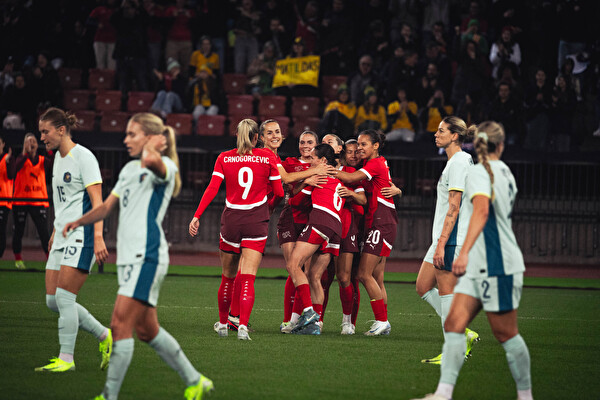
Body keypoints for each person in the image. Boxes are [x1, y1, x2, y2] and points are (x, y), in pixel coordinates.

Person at [63, 112, 213, 399]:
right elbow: (106, 208)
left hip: (148, 256)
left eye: (132, 134)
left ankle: (109, 395)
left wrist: (155, 147)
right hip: (131, 258)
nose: (125, 139)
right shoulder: (129, 169)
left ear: (152, 138)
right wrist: (78, 222)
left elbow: (153, 162)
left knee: (119, 323)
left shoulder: (165, 166)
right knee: (147, 330)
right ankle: (196, 381)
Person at [411, 121, 533, 400]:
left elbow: (479, 212)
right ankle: (443, 394)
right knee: (455, 323)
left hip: (493, 259)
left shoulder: (477, 171)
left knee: (506, 333)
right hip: (488, 254)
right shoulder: (503, 172)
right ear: (500, 146)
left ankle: (525, 396)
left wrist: (460, 250)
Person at [188, 119, 284, 340]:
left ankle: (222, 324)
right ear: (257, 138)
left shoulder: (224, 157)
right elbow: (279, 192)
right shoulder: (267, 156)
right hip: (256, 221)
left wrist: (197, 215)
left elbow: (213, 188)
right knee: (248, 277)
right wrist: (267, 208)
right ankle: (242, 327)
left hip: (231, 220)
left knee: (227, 277)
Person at [33, 108, 111, 373]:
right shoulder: (56, 158)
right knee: (52, 301)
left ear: (61, 130)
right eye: (41, 131)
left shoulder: (84, 157)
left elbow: (98, 203)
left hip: (83, 235)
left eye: (46, 131)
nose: (42, 137)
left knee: (65, 297)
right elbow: (63, 200)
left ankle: (66, 359)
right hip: (62, 236)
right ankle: (104, 335)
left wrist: (99, 237)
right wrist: (55, 229)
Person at [415, 116, 479, 365]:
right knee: (423, 286)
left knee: (446, 293)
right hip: (444, 238)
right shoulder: (457, 161)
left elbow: (454, 207)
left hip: (451, 239)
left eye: (441, 130)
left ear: (454, 136)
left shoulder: (459, 162)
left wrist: (442, 243)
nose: (435, 133)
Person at [334, 130, 398, 335]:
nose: (360, 148)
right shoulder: (378, 164)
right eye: (358, 144)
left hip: (381, 221)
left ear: (376, 146)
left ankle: (382, 321)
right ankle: (383, 322)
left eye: (364, 144)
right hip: (380, 221)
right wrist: (398, 190)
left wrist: (328, 169)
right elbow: (388, 185)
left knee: (363, 274)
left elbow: (351, 177)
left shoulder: (374, 164)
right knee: (377, 278)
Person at [283, 143, 346, 335]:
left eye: (312, 158)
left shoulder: (318, 175)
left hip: (321, 221)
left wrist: (303, 183)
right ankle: (315, 326)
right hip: (336, 229)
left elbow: (295, 201)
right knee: (315, 277)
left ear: (323, 161)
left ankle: (309, 312)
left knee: (293, 265)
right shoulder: (338, 180)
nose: (309, 162)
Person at [274, 130, 333, 333]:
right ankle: (289, 319)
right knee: (293, 268)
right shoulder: (291, 162)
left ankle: (309, 320)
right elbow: (288, 186)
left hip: (313, 220)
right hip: (292, 218)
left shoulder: (325, 166)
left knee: (307, 272)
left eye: (310, 142)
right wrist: (309, 178)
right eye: (301, 142)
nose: (305, 145)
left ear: (316, 145)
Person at [321, 134, 367, 334]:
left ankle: (348, 322)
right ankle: (317, 320)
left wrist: (351, 195)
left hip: (346, 228)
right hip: (324, 228)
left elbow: (363, 200)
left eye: (330, 142)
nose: (325, 145)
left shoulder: (350, 172)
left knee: (344, 277)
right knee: (321, 277)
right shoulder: (319, 170)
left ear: (339, 149)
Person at [9, 133, 52, 269]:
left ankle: (50, 260)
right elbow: (15, 169)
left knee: (44, 232)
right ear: (24, 145)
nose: (31, 144)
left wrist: (49, 150)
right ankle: (18, 260)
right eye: (28, 142)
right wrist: (26, 153)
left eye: (33, 141)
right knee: (19, 231)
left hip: (38, 200)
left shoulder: (41, 160)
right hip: (21, 200)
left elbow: (52, 163)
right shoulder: (21, 159)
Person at [0, 135, 13, 259]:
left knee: (1, 229)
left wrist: (8, 162)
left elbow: (11, 176)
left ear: (3, 144)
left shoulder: (7, 159)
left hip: (3, 200)